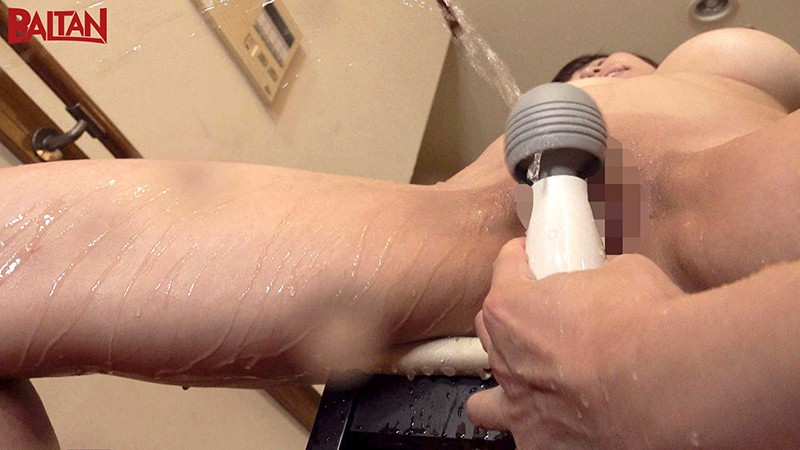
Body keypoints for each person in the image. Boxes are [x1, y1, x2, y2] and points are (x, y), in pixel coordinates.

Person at [0, 26, 797, 447]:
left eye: (619, 61)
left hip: (738, 187)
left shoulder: (717, 69)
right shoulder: (481, 183)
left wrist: (653, 376)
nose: (598, 70)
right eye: (577, 71)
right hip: (454, 241)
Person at [466, 28, 800, 448]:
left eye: (607, 60)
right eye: (579, 74)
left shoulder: (705, 82)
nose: (595, 68)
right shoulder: (500, 173)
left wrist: (638, 362)